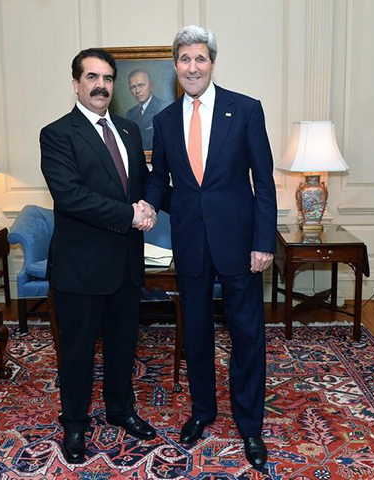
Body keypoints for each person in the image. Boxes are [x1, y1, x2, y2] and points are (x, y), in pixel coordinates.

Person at [143, 25, 277, 469]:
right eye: (184, 60)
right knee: (196, 335)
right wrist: (144, 206)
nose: (192, 67)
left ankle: (250, 425)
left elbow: (264, 181)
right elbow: (161, 180)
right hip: (191, 244)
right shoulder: (163, 121)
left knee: (247, 336)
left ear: (212, 63)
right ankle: (203, 412)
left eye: (200, 59)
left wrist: (263, 242)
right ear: (175, 66)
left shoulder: (245, 109)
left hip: (240, 246)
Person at [40, 48, 158, 465]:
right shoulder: (57, 133)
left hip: (125, 264)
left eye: (108, 78)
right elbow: (71, 197)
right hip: (81, 268)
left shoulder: (128, 130)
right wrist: (130, 214)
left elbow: (140, 187)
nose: (101, 85)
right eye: (92, 77)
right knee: (77, 352)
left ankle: (121, 410)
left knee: (124, 346)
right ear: (76, 83)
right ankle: (74, 422)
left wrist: (150, 206)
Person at [125, 70, 170, 150]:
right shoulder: (130, 113)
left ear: (151, 86)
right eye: (133, 87)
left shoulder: (164, 108)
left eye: (141, 85)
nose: (137, 91)